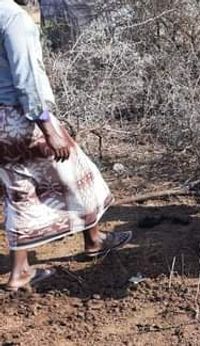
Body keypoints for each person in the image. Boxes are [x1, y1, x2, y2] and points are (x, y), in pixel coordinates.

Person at [0, 0, 132, 291]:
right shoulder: (12, 18)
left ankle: (20, 271)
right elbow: (27, 79)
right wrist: (47, 126)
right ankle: (94, 240)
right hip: (19, 118)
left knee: (19, 192)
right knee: (80, 174)